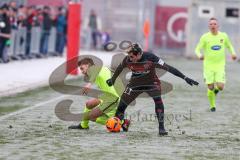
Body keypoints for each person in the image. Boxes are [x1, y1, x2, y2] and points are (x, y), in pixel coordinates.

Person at [106, 43, 199, 136]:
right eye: (129, 56)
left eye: (131, 56)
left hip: (151, 83)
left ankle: (161, 128)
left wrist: (185, 77)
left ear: (138, 54)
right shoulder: (127, 59)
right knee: (121, 107)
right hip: (135, 83)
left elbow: (168, 68)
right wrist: (113, 79)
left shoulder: (151, 58)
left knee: (158, 100)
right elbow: (119, 68)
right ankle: (123, 123)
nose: (129, 59)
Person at [195, 17, 237, 112]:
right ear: (208, 26)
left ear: (218, 26)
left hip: (220, 65)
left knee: (221, 87)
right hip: (208, 66)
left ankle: (215, 92)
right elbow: (197, 49)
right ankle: (212, 106)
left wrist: (233, 53)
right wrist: (200, 55)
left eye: (214, 24)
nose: (213, 26)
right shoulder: (205, 37)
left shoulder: (224, 36)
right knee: (210, 87)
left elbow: (229, 46)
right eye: (211, 24)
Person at [68, 58, 124, 129]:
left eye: (82, 68)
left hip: (114, 98)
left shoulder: (96, 69)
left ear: (88, 65)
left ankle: (122, 123)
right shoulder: (101, 69)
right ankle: (83, 125)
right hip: (108, 95)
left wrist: (89, 84)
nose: (82, 72)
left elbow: (95, 72)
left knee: (90, 117)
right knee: (89, 104)